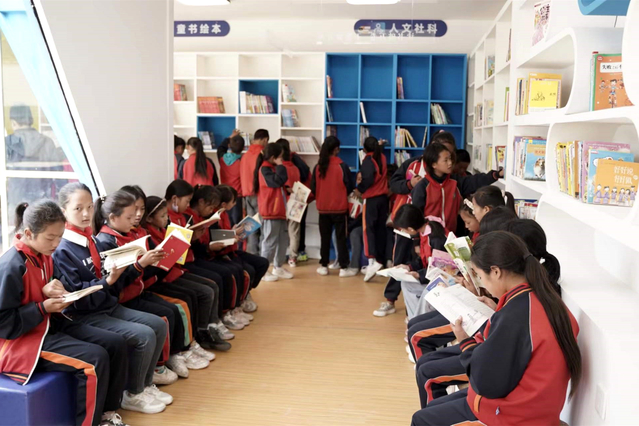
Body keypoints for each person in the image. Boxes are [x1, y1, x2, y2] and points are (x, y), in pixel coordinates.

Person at [411, 231, 581, 426]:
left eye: (480, 276)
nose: (481, 282)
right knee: (431, 407)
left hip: (515, 416)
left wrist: (465, 342)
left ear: (496, 272)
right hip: (534, 405)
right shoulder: (545, 300)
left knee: (421, 419)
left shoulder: (515, 315)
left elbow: (486, 383)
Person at [0, 200, 124, 426]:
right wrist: (42, 307)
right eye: (50, 238)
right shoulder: (11, 265)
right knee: (95, 358)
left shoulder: (45, 254)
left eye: (60, 236)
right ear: (28, 233)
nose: (56, 243)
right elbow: (4, 324)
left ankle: (107, 414)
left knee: (116, 343)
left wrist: (55, 290)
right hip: (22, 342)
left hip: (48, 325)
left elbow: (55, 285)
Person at [52, 187, 170, 414]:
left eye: (89, 207)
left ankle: (144, 385)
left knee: (158, 324)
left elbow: (109, 281)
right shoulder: (63, 248)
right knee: (144, 335)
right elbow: (77, 297)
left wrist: (126, 270)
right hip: (85, 314)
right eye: (78, 208)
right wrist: (108, 281)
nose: (86, 214)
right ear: (63, 211)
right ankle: (133, 393)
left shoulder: (91, 240)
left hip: (107, 305)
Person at [121, 185, 224, 364]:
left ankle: (198, 336)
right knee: (182, 304)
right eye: (133, 211)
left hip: (163, 275)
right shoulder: (137, 234)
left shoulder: (145, 231)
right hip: (153, 282)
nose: (138, 214)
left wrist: (184, 246)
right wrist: (159, 261)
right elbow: (140, 272)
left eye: (141, 209)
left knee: (206, 288)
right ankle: (180, 350)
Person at [93, 190, 184, 391]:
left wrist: (161, 259)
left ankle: (163, 364)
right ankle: (155, 370)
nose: (136, 217)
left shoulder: (130, 233)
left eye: (139, 211)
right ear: (113, 218)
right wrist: (141, 264)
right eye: (130, 215)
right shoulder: (105, 241)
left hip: (137, 291)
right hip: (122, 299)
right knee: (163, 317)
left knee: (172, 311)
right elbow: (116, 283)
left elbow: (138, 273)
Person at [143, 195, 233, 344]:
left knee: (211, 286)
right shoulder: (148, 235)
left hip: (175, 270)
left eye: (166, 215)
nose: (166, 219)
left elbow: (178, 257)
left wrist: (190, 240)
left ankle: (209, 326)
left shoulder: (165, 229)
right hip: (163, 277)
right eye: (163, 216)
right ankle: (198, 335)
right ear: (150, 219)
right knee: (199, 293)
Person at [164, 180, 236, 339]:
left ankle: (214, 322)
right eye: (187, 201)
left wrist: (195, 239)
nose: (188, 204)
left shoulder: (183, 216)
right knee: (211, 284)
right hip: (178, 267)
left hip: (186, 262)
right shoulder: (169, 220)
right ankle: (204, 330)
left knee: (221, 276)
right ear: (174, 199)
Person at [186, 184, 252, 330]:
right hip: (194, 260)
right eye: (211, 207)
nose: (212, 211)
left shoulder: (202, 217)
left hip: (206, 254)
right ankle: (219, 318)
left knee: (239, 268)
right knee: (222, 275)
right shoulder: (188, 217)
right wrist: (207, 246)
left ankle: (232, 309)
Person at [214, 185, 269, 313]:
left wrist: (234, 232)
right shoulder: (215, 217)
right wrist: (232, 234)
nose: (235, 204)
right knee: (246, 270)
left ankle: (245, 292)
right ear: (224, 204)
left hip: (232, 250)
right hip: (223, 253)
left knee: (263, 263)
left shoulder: (225, 214)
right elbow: (216, 239)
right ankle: (238, 300)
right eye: (233, 201)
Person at [311, 136, 354, 277]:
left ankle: (323, 265)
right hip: (340, 207)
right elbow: (349, 186)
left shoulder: (318, 167)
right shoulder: (342, 166)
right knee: (341, 238)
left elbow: (313, 188)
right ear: (336, 149)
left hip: (323, 208)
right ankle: (343, 267)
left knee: (325, 238)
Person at [254, 143, 294, 280]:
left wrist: (286, 188)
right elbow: (276, 182)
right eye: (280, 157)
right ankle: (263, 271)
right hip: (271, 210)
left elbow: (279, 183)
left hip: (279, 210)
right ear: (273, 157)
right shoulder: (265, 169)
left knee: (283, 240)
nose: (282, 160)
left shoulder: (271, 168)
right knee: (270, 241)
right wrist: (281, 166)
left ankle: (278, 267)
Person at [355, 136, 388, 281]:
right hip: (383, 199)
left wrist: (360, 189)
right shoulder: (382, 157)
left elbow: (368, 178)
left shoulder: (368, 160)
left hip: (371, 198)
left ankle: (371, 262)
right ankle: (380, 261)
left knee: (368, 230)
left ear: (364, 149)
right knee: (380, 230)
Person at [236, 129, 269, 254]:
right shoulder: (262, 155)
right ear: (265, 140)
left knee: (251, 226)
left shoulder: (245, 155)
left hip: (246, 194)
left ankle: (252, 253)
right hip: (259, 194)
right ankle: (263, 255)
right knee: (264, 226)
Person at [275, 138, 304, 269]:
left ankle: (278, 258)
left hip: (282, 202)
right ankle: (293, 258)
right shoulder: (295, 168)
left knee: (280, 232)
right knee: (294, 232)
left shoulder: (278, 169)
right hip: (296, 201)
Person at [219, 132, 245, 227]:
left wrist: (230, 137)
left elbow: (221, 148)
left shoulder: (222, 158)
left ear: (229, 146)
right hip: (237, 196)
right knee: (236, 223)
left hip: (224, 194)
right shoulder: (242, 161)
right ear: (243, 148)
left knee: (226, 222)